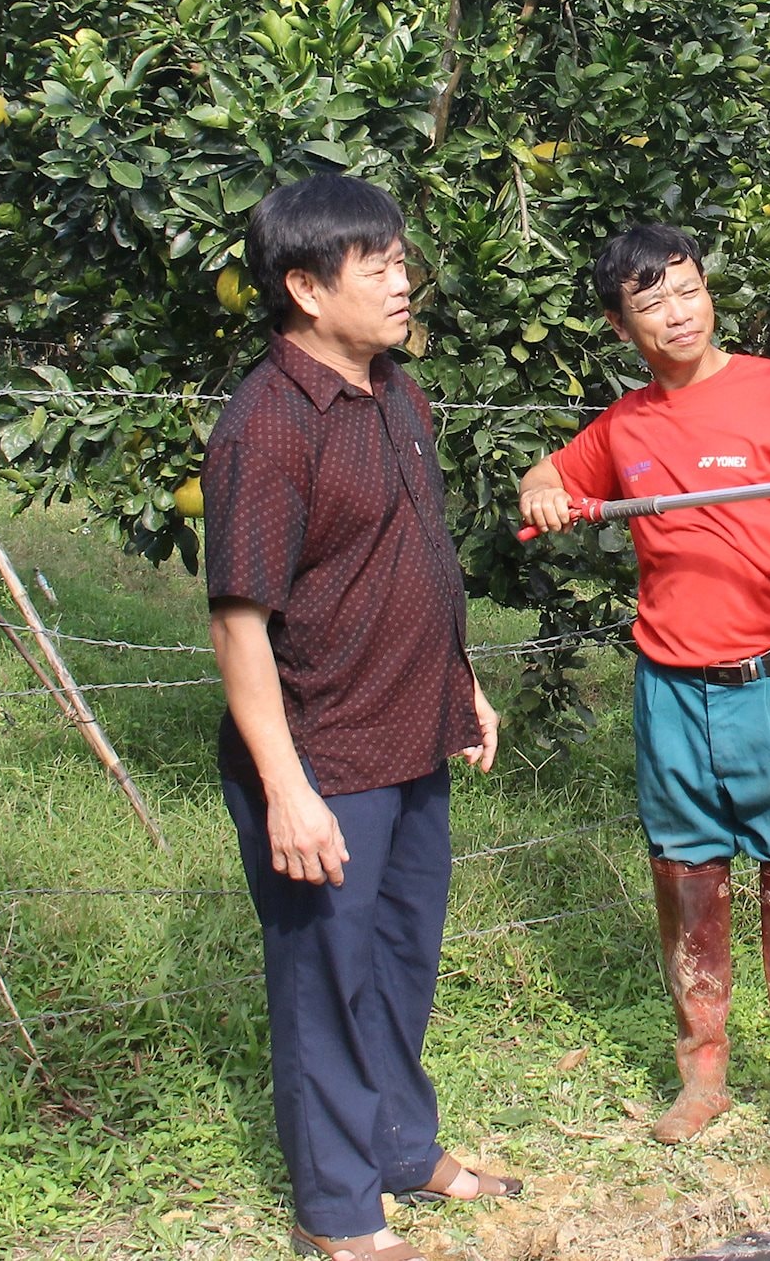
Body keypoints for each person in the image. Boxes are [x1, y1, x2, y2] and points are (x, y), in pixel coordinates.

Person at [203, 173, 519, 1261]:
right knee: (324, 985)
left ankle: (399, 1148)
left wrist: (462, 681)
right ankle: (335, 1207)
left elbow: (414, 552)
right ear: (302, 286)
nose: (401, 279)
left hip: (410, 729)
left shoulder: (395, 392)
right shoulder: (266, 426)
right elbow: (240, 624)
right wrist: (285, 788)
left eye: (400, 257)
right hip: (323, 753)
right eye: (374, 263)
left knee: (397, 962)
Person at [517, 224, 770, 1188]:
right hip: (671, 684)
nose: (677, 313)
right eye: (651, 302)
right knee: (685, 876)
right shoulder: (625, 426)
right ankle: (702, 1074)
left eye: (687, 289)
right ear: (619, 321)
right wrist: (547, 489)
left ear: (707, 289)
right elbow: (547, 475)